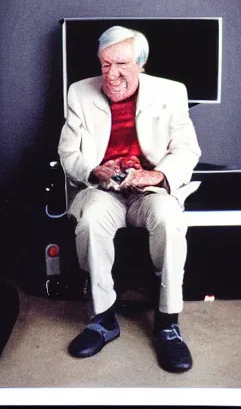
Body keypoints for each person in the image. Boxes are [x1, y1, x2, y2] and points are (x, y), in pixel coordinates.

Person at [57, 25, 201, 372]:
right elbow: (67, 152)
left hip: (148, 189)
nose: (112, 74)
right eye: (105, 64)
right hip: (105, 190)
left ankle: (168, 324)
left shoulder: (172, 92)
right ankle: (103, 319)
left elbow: (187, 149)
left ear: (141, 64)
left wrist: (159, 175)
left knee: (168, 218)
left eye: (121, 64)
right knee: (90, 220)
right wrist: (94, 170)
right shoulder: (79, 93)